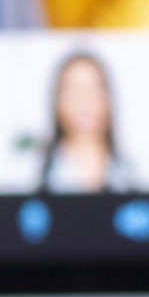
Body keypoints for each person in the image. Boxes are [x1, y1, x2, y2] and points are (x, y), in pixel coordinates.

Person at [36, 51, 139, 193]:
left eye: (95, 87)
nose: (85, 99)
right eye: (73, 89)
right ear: (56, 101)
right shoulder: (34, 173)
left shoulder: (132, 172)